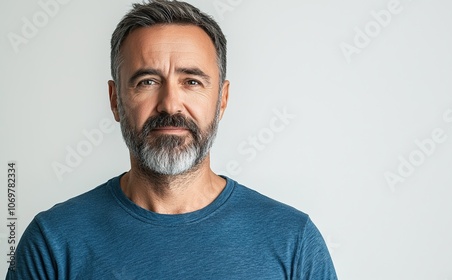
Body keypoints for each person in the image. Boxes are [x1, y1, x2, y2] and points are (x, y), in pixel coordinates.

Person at [6, 0, 337, 279]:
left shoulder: (294, 242)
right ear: (115, 100)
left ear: (221, 100)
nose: (170, 104)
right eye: (147, 81)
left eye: (192, 82)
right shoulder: (52, 243)